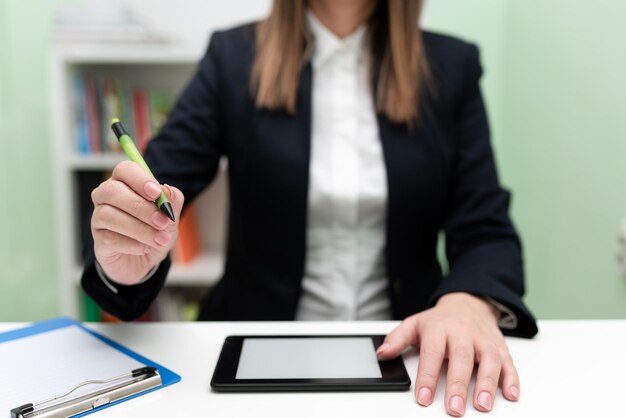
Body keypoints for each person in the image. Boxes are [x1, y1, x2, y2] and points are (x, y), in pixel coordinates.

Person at [81, 0, 538, 416]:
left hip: (408, 363)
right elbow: (153, 185)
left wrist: (468, 303)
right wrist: (128, 244)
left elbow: (486, 228)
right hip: (255, 361)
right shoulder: (232, 56)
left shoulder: (451, 66)